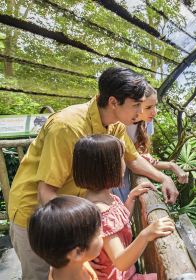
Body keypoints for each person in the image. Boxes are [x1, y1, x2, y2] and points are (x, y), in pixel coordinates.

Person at [8, 67, 178, 280]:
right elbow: (46, 193)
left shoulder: (116, 124)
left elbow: (133, 159)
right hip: (39, 215)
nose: (139, 112)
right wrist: (85, 240)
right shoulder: (67, 127)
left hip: (75, 217)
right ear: (114, 102)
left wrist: (163, 177)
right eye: (135, 105)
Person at [73, 134, 175, 279]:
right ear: (108, 166)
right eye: (121, 157)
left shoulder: (104, 198)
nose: (124, 163)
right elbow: (120, 261)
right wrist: (146, 235)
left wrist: (130, 199)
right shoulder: (101, 213)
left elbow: (117, 227)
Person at [113, 85, 188, 202]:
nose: (155, 112)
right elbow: (134, 160)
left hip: (125, 179)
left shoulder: (147, 124)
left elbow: (143, 161)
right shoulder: (118, 125)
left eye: (155, 105)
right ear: (135, 106)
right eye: (148, 107)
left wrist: (171, 166)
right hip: (113, 179)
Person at [27, 196, 102, 280]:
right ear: (77, 252)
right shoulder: (75, 263)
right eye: (98, 233)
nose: (102, 235)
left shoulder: (68, 263)